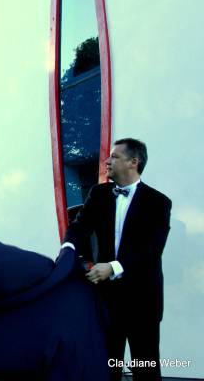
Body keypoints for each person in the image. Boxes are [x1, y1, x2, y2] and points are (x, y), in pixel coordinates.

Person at [63, 138, 172, 381]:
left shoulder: (159, 203)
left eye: (114, 156)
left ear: (134, 162)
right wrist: (68, 249)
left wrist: (112, 268)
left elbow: (152, 250)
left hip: (143, 300)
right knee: (105, 367)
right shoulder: (99, 193)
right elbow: (79, 227)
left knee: (146, 369)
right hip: (105, 299)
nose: (107, 160)